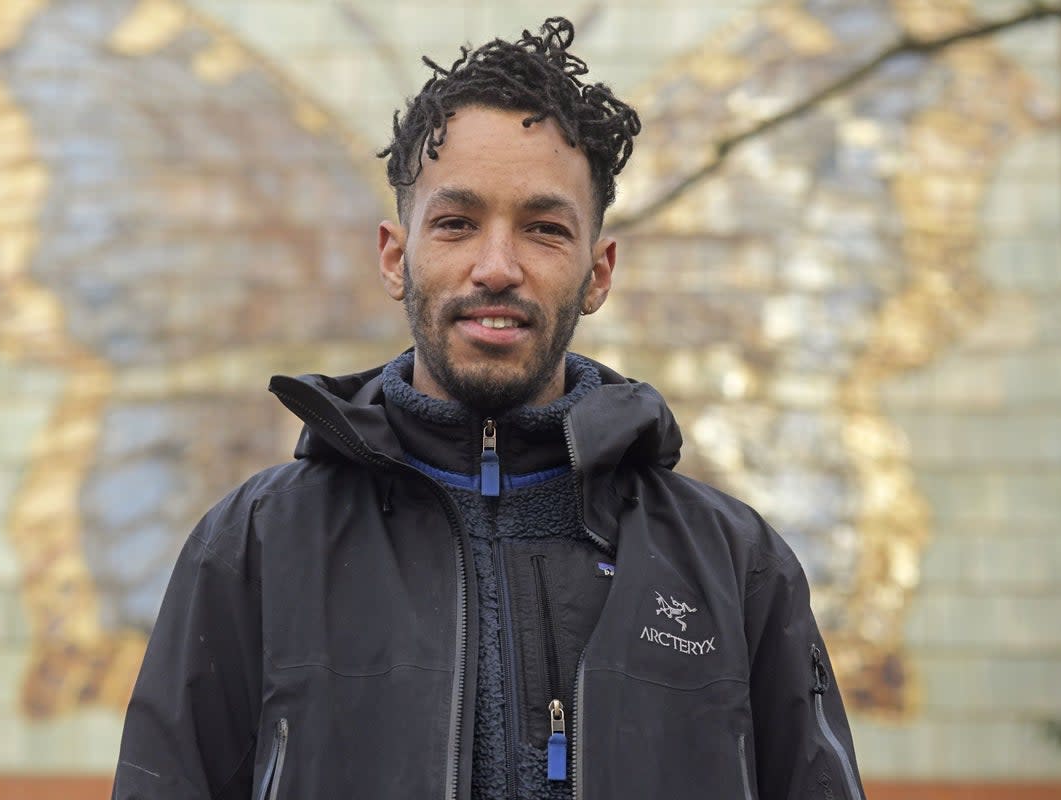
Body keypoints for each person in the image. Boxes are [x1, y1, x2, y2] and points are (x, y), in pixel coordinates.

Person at [112, 17, 865, 800]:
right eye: (457, 223)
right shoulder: (256, 546)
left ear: (597, 273)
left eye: (543, 229)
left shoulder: (734, 565)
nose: (497, 267)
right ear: (396, 257)